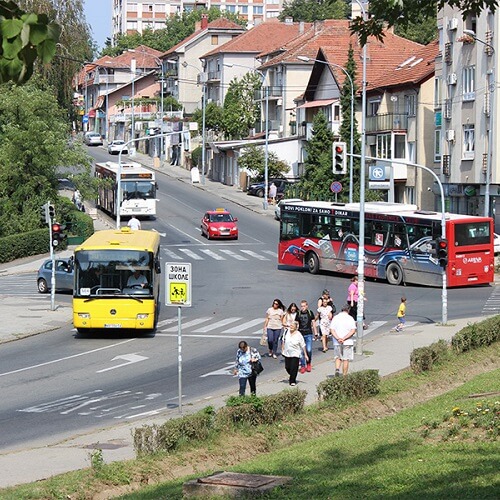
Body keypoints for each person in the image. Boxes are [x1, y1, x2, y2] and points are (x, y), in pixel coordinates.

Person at [330, 304, 356, 377]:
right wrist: (344, 338)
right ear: (348, 310)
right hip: (347, 342)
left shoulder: (335, 318)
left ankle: (337, 369)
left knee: (338, 357)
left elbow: (332, 330)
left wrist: (338, 338)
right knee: (345, 359)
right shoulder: (350, 318)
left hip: (337, 342)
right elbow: (353, 330)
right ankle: (344, 375)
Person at [281, 321, 308, 386]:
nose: (291, 327)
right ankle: (292, 375)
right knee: (287, 367)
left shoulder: (298, 335)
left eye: (293, 326)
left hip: (295, 353)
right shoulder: (286, 332)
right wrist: (282, 349)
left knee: (294, 367)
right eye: (291, 326)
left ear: (296, 327)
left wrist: (305, 354)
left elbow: (303, 345)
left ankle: (292, 380)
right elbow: (283, 340)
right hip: (287, 352)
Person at [297, 300, 317, 373]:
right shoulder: (298, 313)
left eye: (304, 306)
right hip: (300, 334)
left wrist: (316, 333)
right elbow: (296, 323)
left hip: (308, 334)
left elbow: (313, 323)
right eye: (301, 306)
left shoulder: (310, 313)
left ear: (307, 306)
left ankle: (308, 363)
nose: (303, 308)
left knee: (308, 350)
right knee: (301, 351)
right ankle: (302, 365)